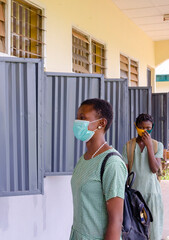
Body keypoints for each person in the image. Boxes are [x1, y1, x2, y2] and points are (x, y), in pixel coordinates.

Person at [70, 98, 127, 240]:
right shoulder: (84, 158)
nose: (78, 122)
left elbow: (116, 220)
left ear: (101, 123)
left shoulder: (111, 163)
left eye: (82, 118)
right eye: (77, 118)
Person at [121, 113, 164, 240]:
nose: (145, 131)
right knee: (136, 231)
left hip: (152, 194)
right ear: (136, 126)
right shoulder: (128, 146)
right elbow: (125, 171)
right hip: (135, 196)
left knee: (154, 232)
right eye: (142, 128)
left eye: (148, 128)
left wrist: (149, 146)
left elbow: (154, 168)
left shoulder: (157, 145)